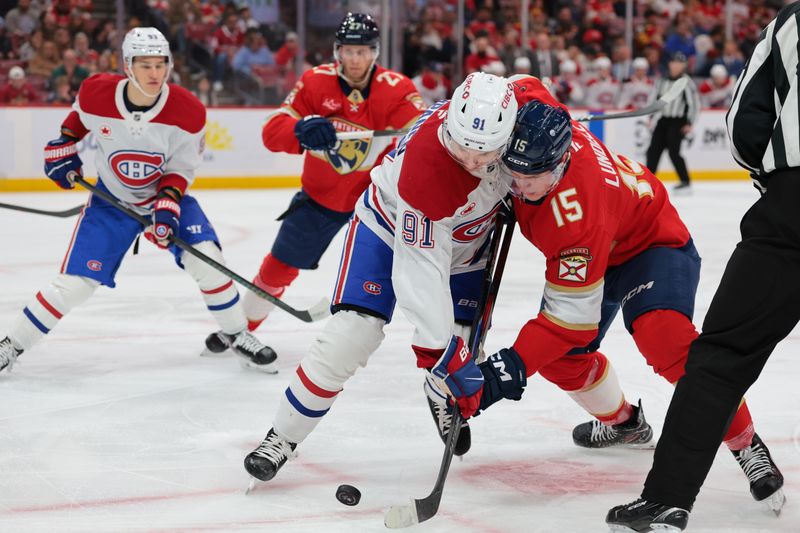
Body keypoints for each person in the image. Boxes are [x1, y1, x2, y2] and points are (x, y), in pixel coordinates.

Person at [445, 97, 782, 500]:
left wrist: (506, 371)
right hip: (601, 246)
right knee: (563, 363)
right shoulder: (542, 126)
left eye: (531, 177)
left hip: (650, 246)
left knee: (666, 340)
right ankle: (625, 424)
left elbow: (570, 320)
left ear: (561, 163)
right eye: (510, 172)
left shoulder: (575, 215)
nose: (517, 187)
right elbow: (514, 89)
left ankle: (746, 443)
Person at [241, 72, 530, 483]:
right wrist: (443, 356)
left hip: (468, 241)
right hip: (390, 230)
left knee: (467, 341)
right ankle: (282, 436)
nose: (472, 162)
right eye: (464, 148)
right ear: (449, 125)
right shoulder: (426, 173)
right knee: (353, 334)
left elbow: (532, 88)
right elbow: (420, 280)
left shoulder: (520, 110)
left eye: (485, 154)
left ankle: (438, 392)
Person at [606, 4, 796, 530]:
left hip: (792, 214)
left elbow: (743, 125)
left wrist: (780, 185)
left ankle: (668, 498)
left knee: (717, 359)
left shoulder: (792, 23)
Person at [0, 28, 277, 375]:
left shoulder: (187, 110)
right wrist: (64, 144)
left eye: (161, 65)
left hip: (165, 199)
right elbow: (78, 121)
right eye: (145, 65)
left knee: (207, 261)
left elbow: (180, 170)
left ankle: (238, 334)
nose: (154, 74)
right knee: (74, 285)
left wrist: (167, 204)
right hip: (112, 201)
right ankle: (11, 345)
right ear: (128, 66)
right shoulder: (96, 92)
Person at [230, 13, 425, 339]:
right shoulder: (314, 82)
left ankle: (435, 337)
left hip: (374, 204)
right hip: (321, 197)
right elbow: (271, 132)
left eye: (362, 51)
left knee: (404, 268)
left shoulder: (397, 89)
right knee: (279, 266)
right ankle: (239, 329)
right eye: (348, 51)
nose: (355, 59)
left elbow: (422, 134)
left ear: (375, 52)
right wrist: (300, 129)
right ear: (337, 51)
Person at [645, 51, 700, 194]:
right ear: (669, 64)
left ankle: (685, 181)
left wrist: (689, 123)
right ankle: (649, 181)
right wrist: (650, 117)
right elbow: (654, 99)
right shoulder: (661, 80)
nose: (676, 66)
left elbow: (693, 104)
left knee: (674, 152)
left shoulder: (686, 82)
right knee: (653, 151)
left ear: (684, 66)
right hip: (663, 120)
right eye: (674, 63)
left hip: (678, 121)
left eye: (679, 64)